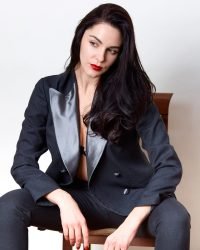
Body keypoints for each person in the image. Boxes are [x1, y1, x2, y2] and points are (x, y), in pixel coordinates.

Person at [0, 3, 190, 250]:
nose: (100, 58)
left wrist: (131, 223)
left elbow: (169, 165)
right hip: (74, 199)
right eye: (94, 43)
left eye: (112, 50)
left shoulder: (133, 95)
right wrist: (64, 201)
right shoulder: (47, 90)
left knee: (176, 217)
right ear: (80, 36)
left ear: (120, 54)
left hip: (130, 200)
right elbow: (23, 164)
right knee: (10, 206)